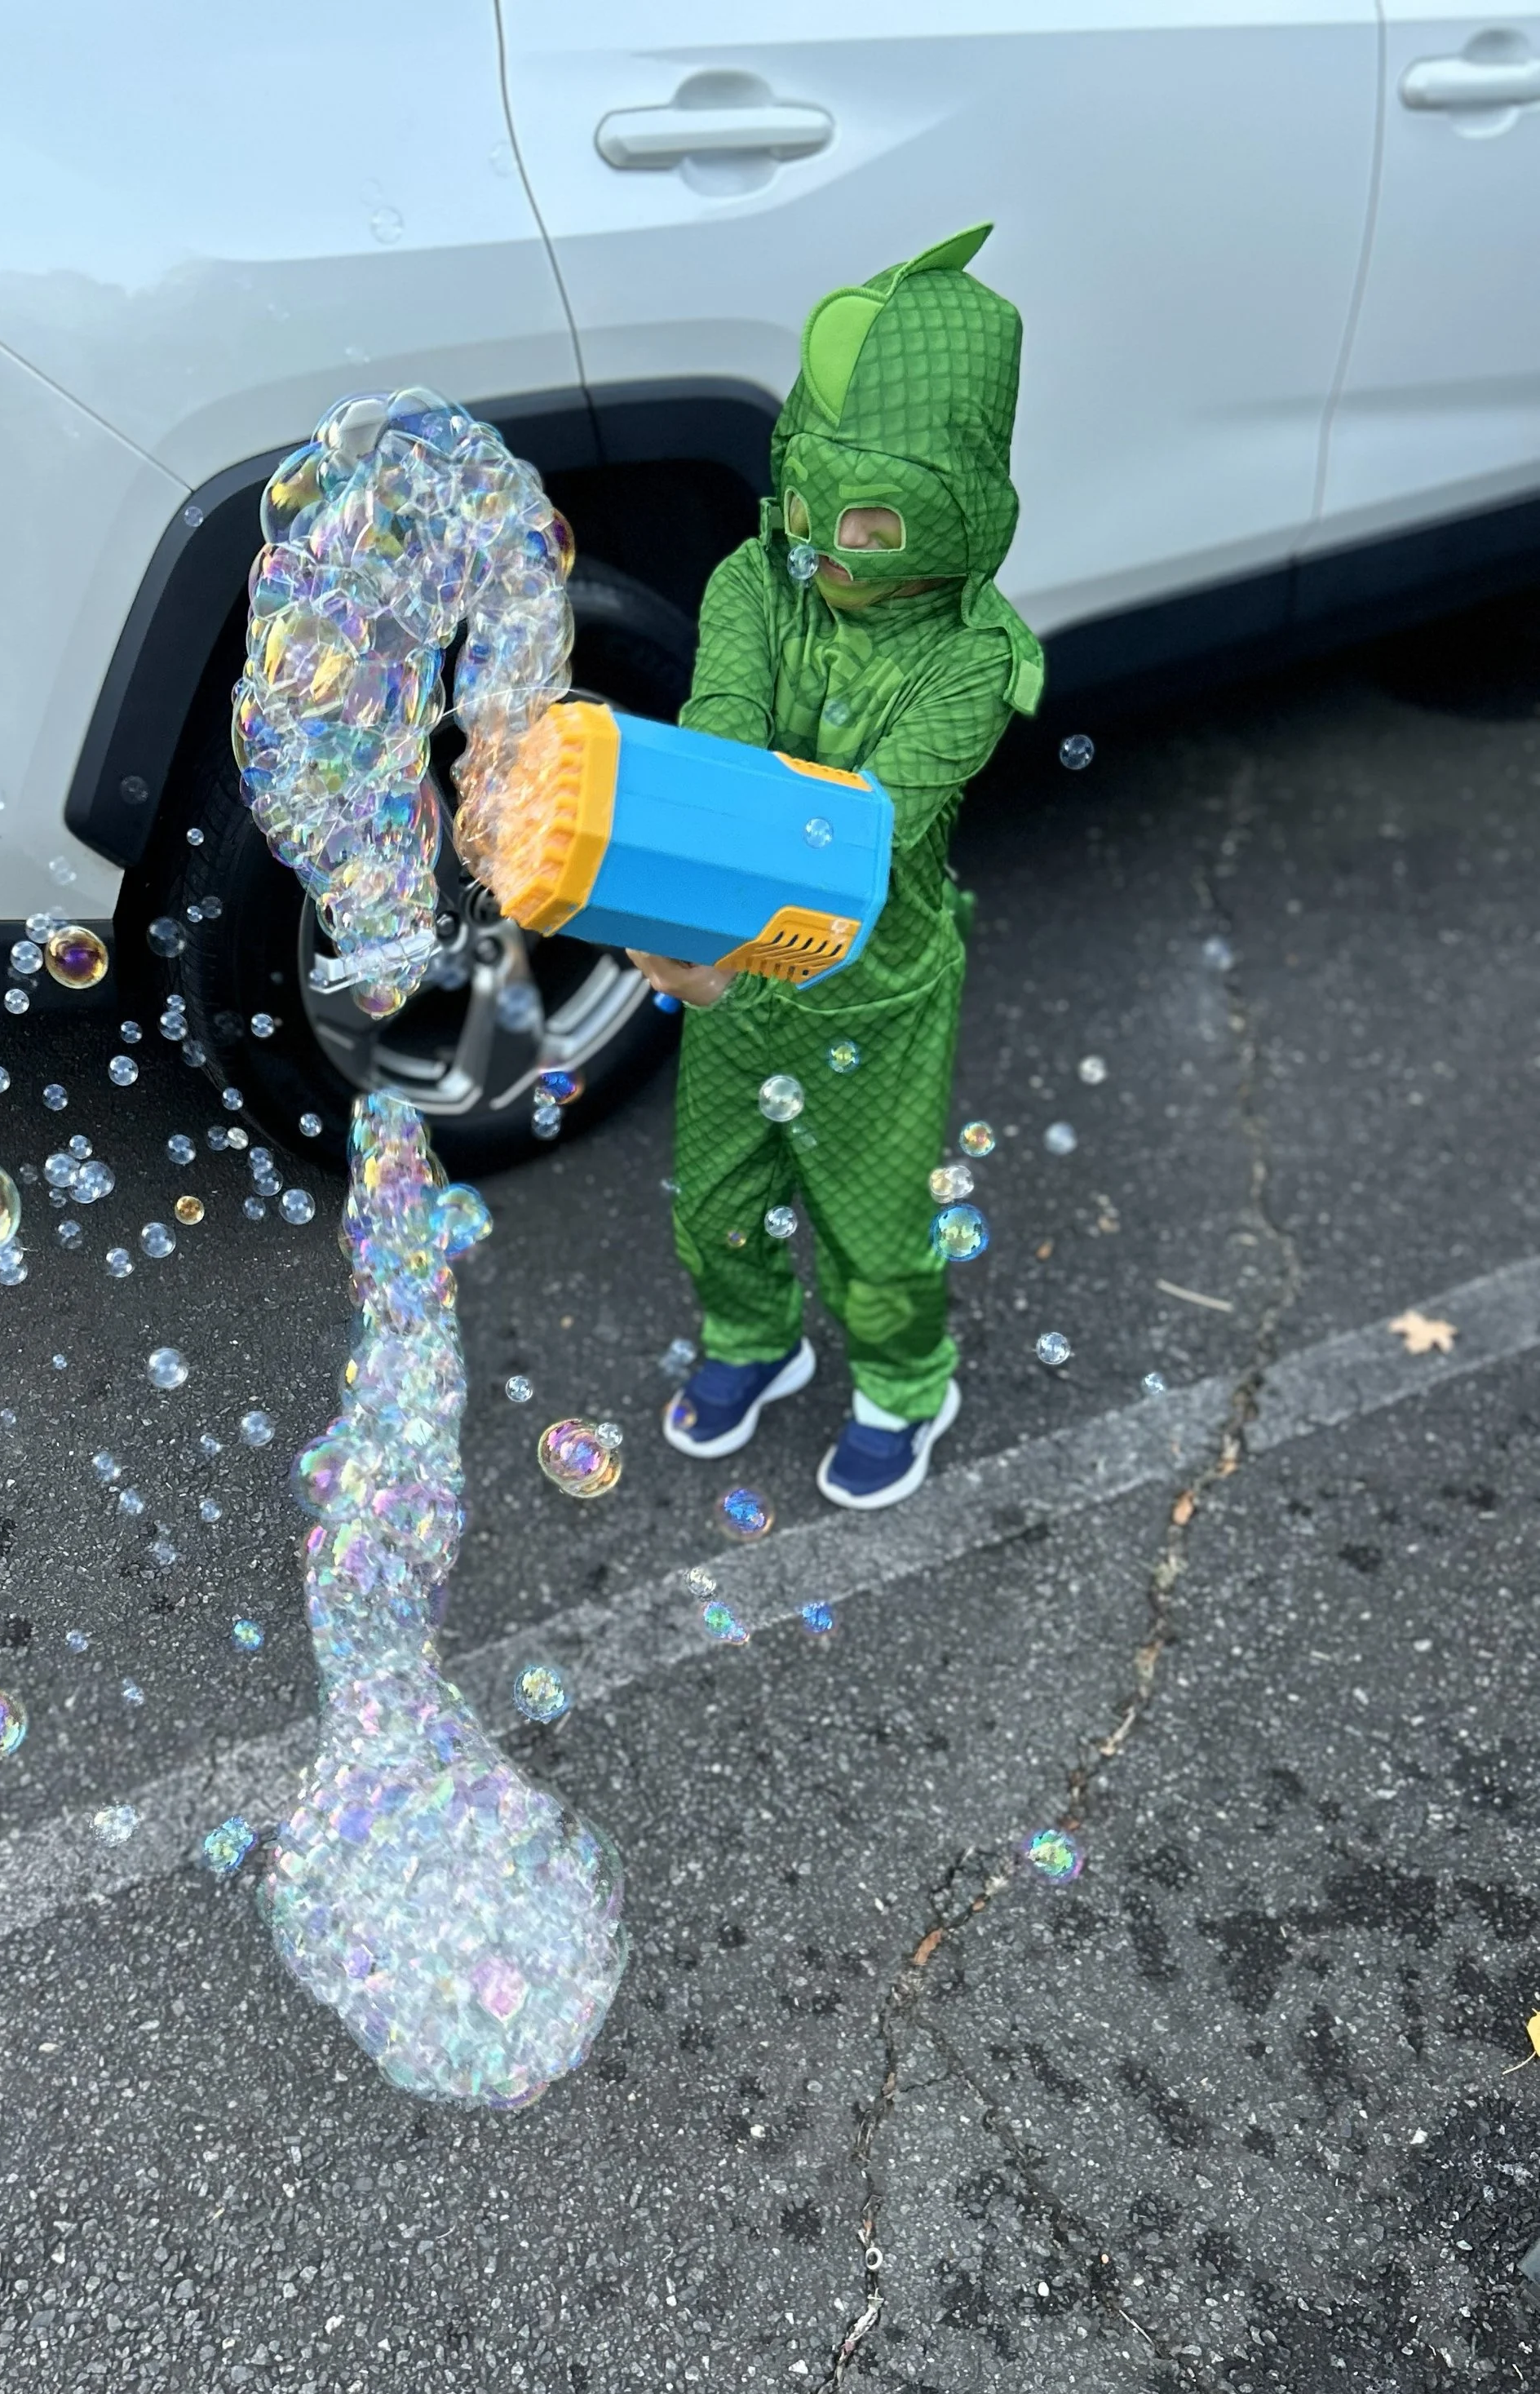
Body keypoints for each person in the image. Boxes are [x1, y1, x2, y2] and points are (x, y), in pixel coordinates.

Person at [630, 223, 1043, 1508]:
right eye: (812, 504)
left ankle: (905, 1383)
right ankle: (756, 1342)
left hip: (878, 988)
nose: (827, 547)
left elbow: (879, 822)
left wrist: (704, 897)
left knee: (876, 1227)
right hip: (745, 979)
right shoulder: (756, 581)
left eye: (873, 522)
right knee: (718, 1198)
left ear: (955, 515)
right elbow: (718, 736)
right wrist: (665, 903)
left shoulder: (977, 656)